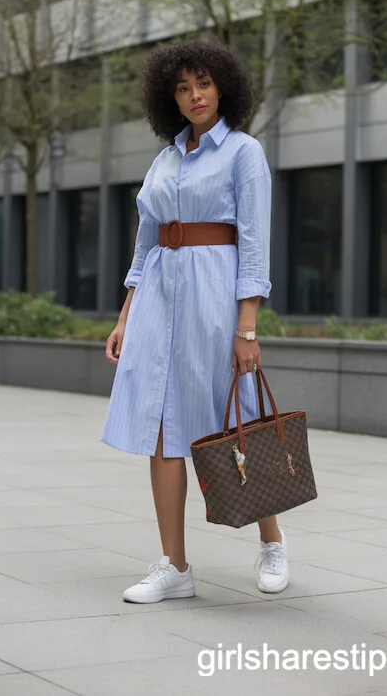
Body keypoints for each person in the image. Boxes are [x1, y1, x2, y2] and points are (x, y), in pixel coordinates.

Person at [101, 40, 288, 603]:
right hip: (159, 297)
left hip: (214, 296)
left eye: (202, 83)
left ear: (222, 87)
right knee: (162, 425)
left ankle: (272, 541)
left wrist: (247, 326)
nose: (194, 96)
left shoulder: (244, 153)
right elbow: (145, 243)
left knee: (236, 420)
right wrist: (125, 315)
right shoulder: (164, 160)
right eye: (182, 88)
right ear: (170, 99)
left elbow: (254, 244)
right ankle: (174, 566)